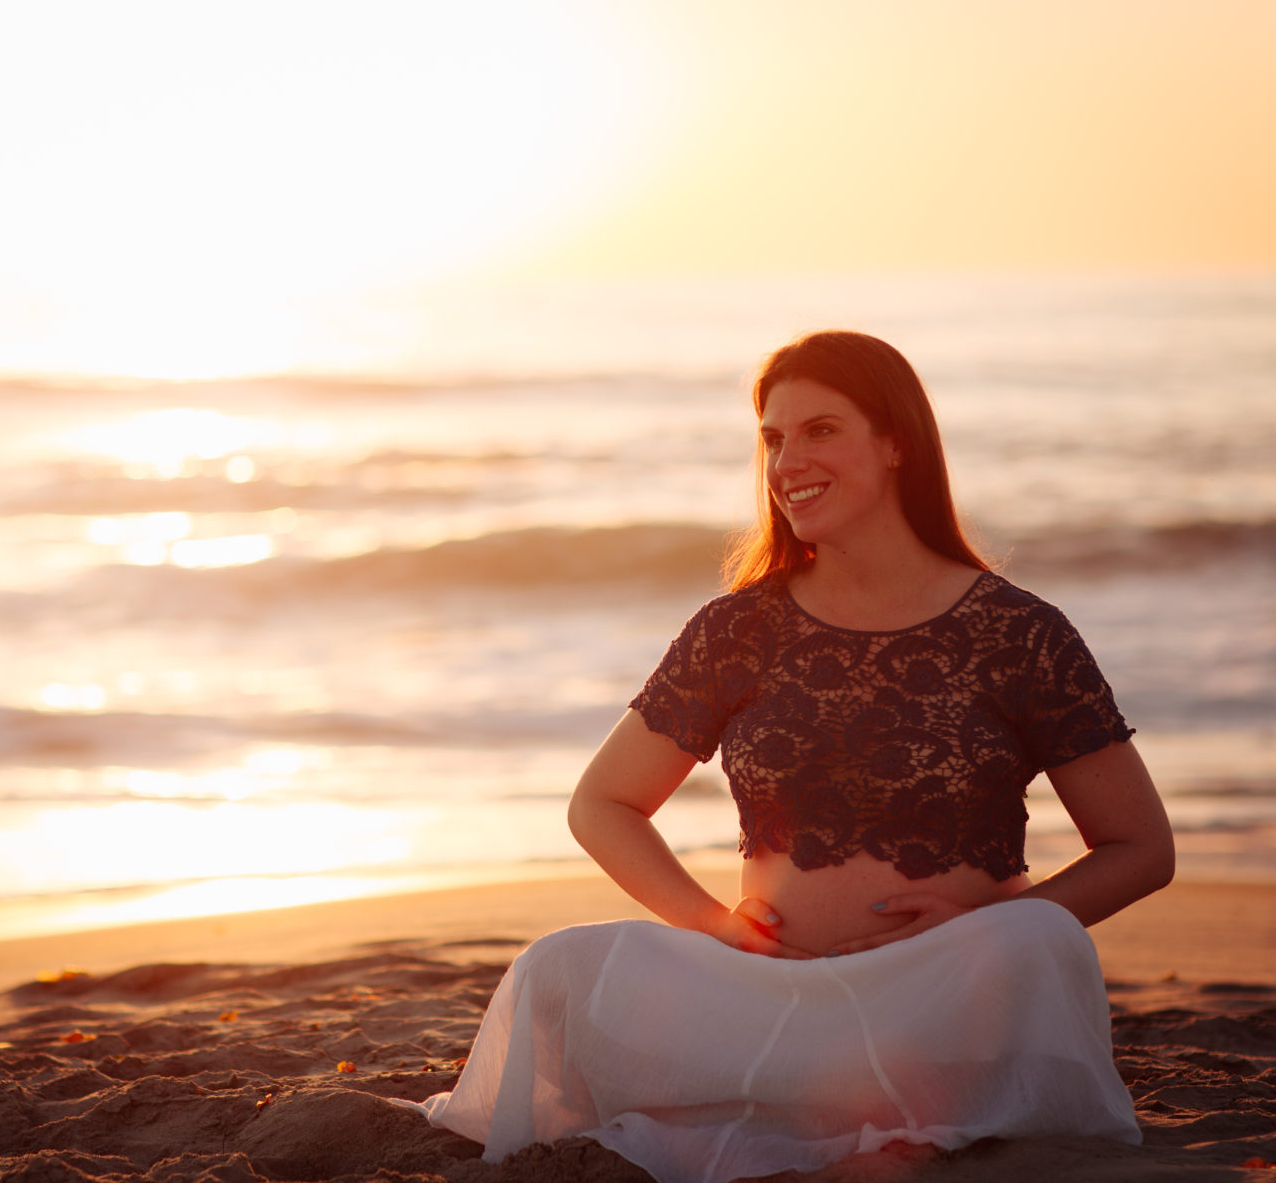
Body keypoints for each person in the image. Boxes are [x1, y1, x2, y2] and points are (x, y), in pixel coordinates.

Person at [396, 331, 1174, 1182]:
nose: (787, 461)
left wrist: (991, 930)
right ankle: (817, 1092)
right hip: (769, 998)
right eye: (772, 438)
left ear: (896, 444)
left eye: (820, 431)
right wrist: (715, 927)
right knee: (558, 968)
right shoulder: (738, 631)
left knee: (1044, 945)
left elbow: (1141, 848)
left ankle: (862, 1096)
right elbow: (602, 806)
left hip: (945, 1002)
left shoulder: (1021, 633)